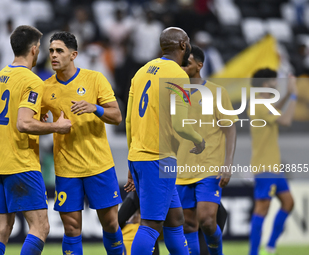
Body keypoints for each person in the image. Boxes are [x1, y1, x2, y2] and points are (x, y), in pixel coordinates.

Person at [0, 25, 72, 255]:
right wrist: (56, 127)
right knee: (40, 226)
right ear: (33, 50)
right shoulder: (31, 81)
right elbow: (23, 123)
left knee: (1, 229)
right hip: (20, 162)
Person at [41, 31, 123, 255]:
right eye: (51, 51)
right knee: (71, 228)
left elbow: (116, 117)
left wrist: (94, 108)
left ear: (73, 54)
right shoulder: (45, 89)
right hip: (67, 169)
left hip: (99, 165)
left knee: (111, 224)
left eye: (59, 51)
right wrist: (49, 126)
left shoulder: (95, 79)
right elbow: (33, 121)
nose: (54, 55)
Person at [126, 27, 206, 255]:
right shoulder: (178, 74)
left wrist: (132, 159)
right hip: (158, 157)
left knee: (175, 219)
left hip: (141, 155)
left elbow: (130, 121)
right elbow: (181, 124)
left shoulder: (141, 72)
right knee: (150, 225)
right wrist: (198, 140)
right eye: (187, 41)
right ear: (183, 45)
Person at [175, 45, 237, 255]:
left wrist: (228, 164)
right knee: (188, 225)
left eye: (188, 63)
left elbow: (230, 129)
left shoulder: (216, 92)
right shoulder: (175, 94)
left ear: (200, 65)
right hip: (181, 169)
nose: (183, 66)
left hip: (210, 166)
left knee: (207, 220)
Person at [248, 68, 296, 255]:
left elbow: (276, 110)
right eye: (274, 81)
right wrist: (292, 95)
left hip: (273, 167)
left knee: (288, 203)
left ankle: (270, 246)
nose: (277, 84)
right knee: (262, 209)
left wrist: (287, 96)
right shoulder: (259, 104)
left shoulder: (263, 104)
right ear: (265, 84)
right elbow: (285, 120)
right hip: (265, 167)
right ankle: (253, 252)